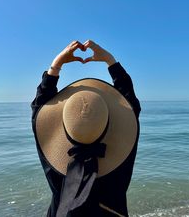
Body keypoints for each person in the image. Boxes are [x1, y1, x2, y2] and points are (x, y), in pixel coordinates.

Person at [31, 40, 141, 217]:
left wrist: (56, 65)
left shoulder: (51, 158)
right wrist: (110, 60)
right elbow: (131, 104)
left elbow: (39, 107)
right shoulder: (124, 151)